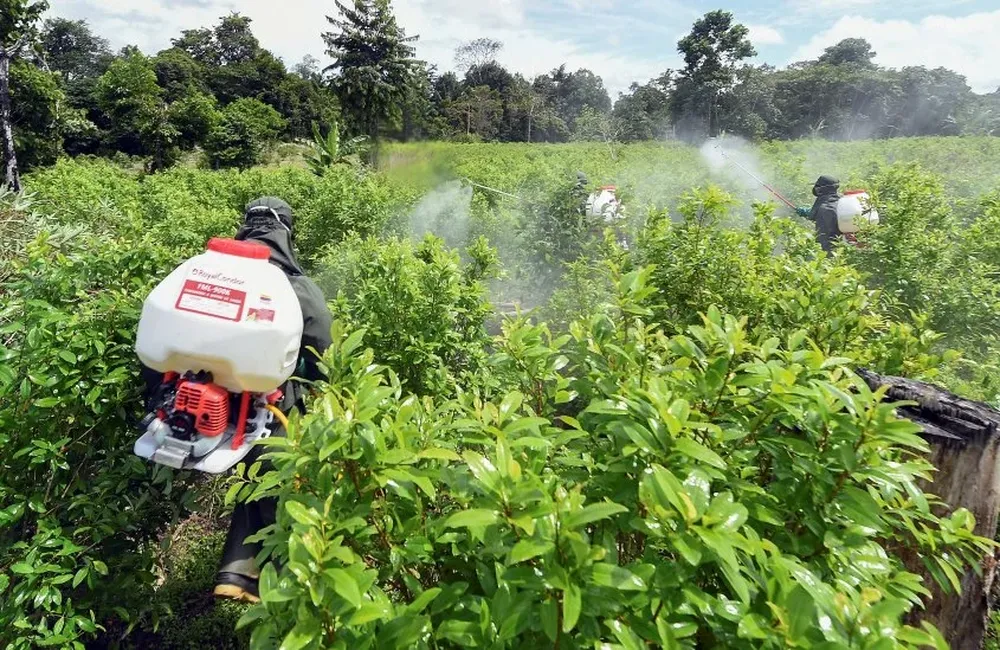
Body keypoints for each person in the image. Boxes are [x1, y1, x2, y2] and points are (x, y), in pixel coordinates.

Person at [142, 197, 333, 603]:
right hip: (264, 409)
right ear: (286, 231)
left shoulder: (207, 272)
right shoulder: (292, 286)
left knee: (255, 483)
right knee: (277, 487)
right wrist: (315, 384)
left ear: (245, 227)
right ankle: (286, 587)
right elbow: (321, 346)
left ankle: (236, 574)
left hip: (187, 408)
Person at [796, 175, 842, 253]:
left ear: (821, 189)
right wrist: (809, 213)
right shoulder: (841, 202)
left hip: (832, 252)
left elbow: (824, 237)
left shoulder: (824, 209)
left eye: (817, 186)